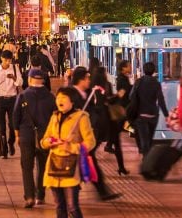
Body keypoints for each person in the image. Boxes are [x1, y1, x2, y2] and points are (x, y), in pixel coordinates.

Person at [41, 87, 96, 218]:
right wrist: (48, 142)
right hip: (54, 166)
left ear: (72, 101)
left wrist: (71, 147)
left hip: (71, 168)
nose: (60, 100)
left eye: (64, 98)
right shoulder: (55, 117)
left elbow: (90, 142)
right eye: (58, 97)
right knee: (59, 206)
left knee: (72, 206)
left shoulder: (81, 117)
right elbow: (43, 141)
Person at [71, 67, 119, 200]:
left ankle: (101, 191)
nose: (89, 80)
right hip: (76, 137)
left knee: (89, 161)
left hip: (87, 135)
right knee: (80, 163)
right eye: (87, 78)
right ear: (81, 79)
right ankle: (98, 191)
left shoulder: (88, 94)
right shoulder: (71, 94)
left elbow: (92, 112)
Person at [14, 68, 55, 208]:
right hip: (45, 138)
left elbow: (15, 117)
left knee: (27, 167)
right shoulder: (51, 97)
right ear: (43, 81)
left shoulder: (23, 96)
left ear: (30, 80)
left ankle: (29, 197)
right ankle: (40, 196)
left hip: (26, 135)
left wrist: (17, 135)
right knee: (43, 166)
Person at [129, 62, 168, 156]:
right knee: (150, 139)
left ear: (144, 70)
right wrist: (166, 115)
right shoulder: (156, 83)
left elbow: (131, 96)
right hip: (153, 115)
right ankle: (148, 159)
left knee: (144, 140)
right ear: (154, 71)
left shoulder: (139, 81)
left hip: (141, 115)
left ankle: (145, 160)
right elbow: (161, 100)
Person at [0, 50, 22, 157]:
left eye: (10, 60)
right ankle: (4, 149)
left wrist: (13, 78)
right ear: (1, 59)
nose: (8, 62)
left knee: (13, 124)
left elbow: (20, 83)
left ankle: (10, 142)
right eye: (6, 60)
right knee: (1, 126)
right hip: (0, 100)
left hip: (13, 99)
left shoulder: (14, 68)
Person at [106, 61, 130, 175]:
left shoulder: (122, 78)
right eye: (129, 66)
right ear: (123, 68)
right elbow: (121, 94)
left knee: (117, 134)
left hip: (121, 108)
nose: (130, 67)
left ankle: (109, 144)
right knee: (118, 131)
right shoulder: (121, 79)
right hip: (122, 107)